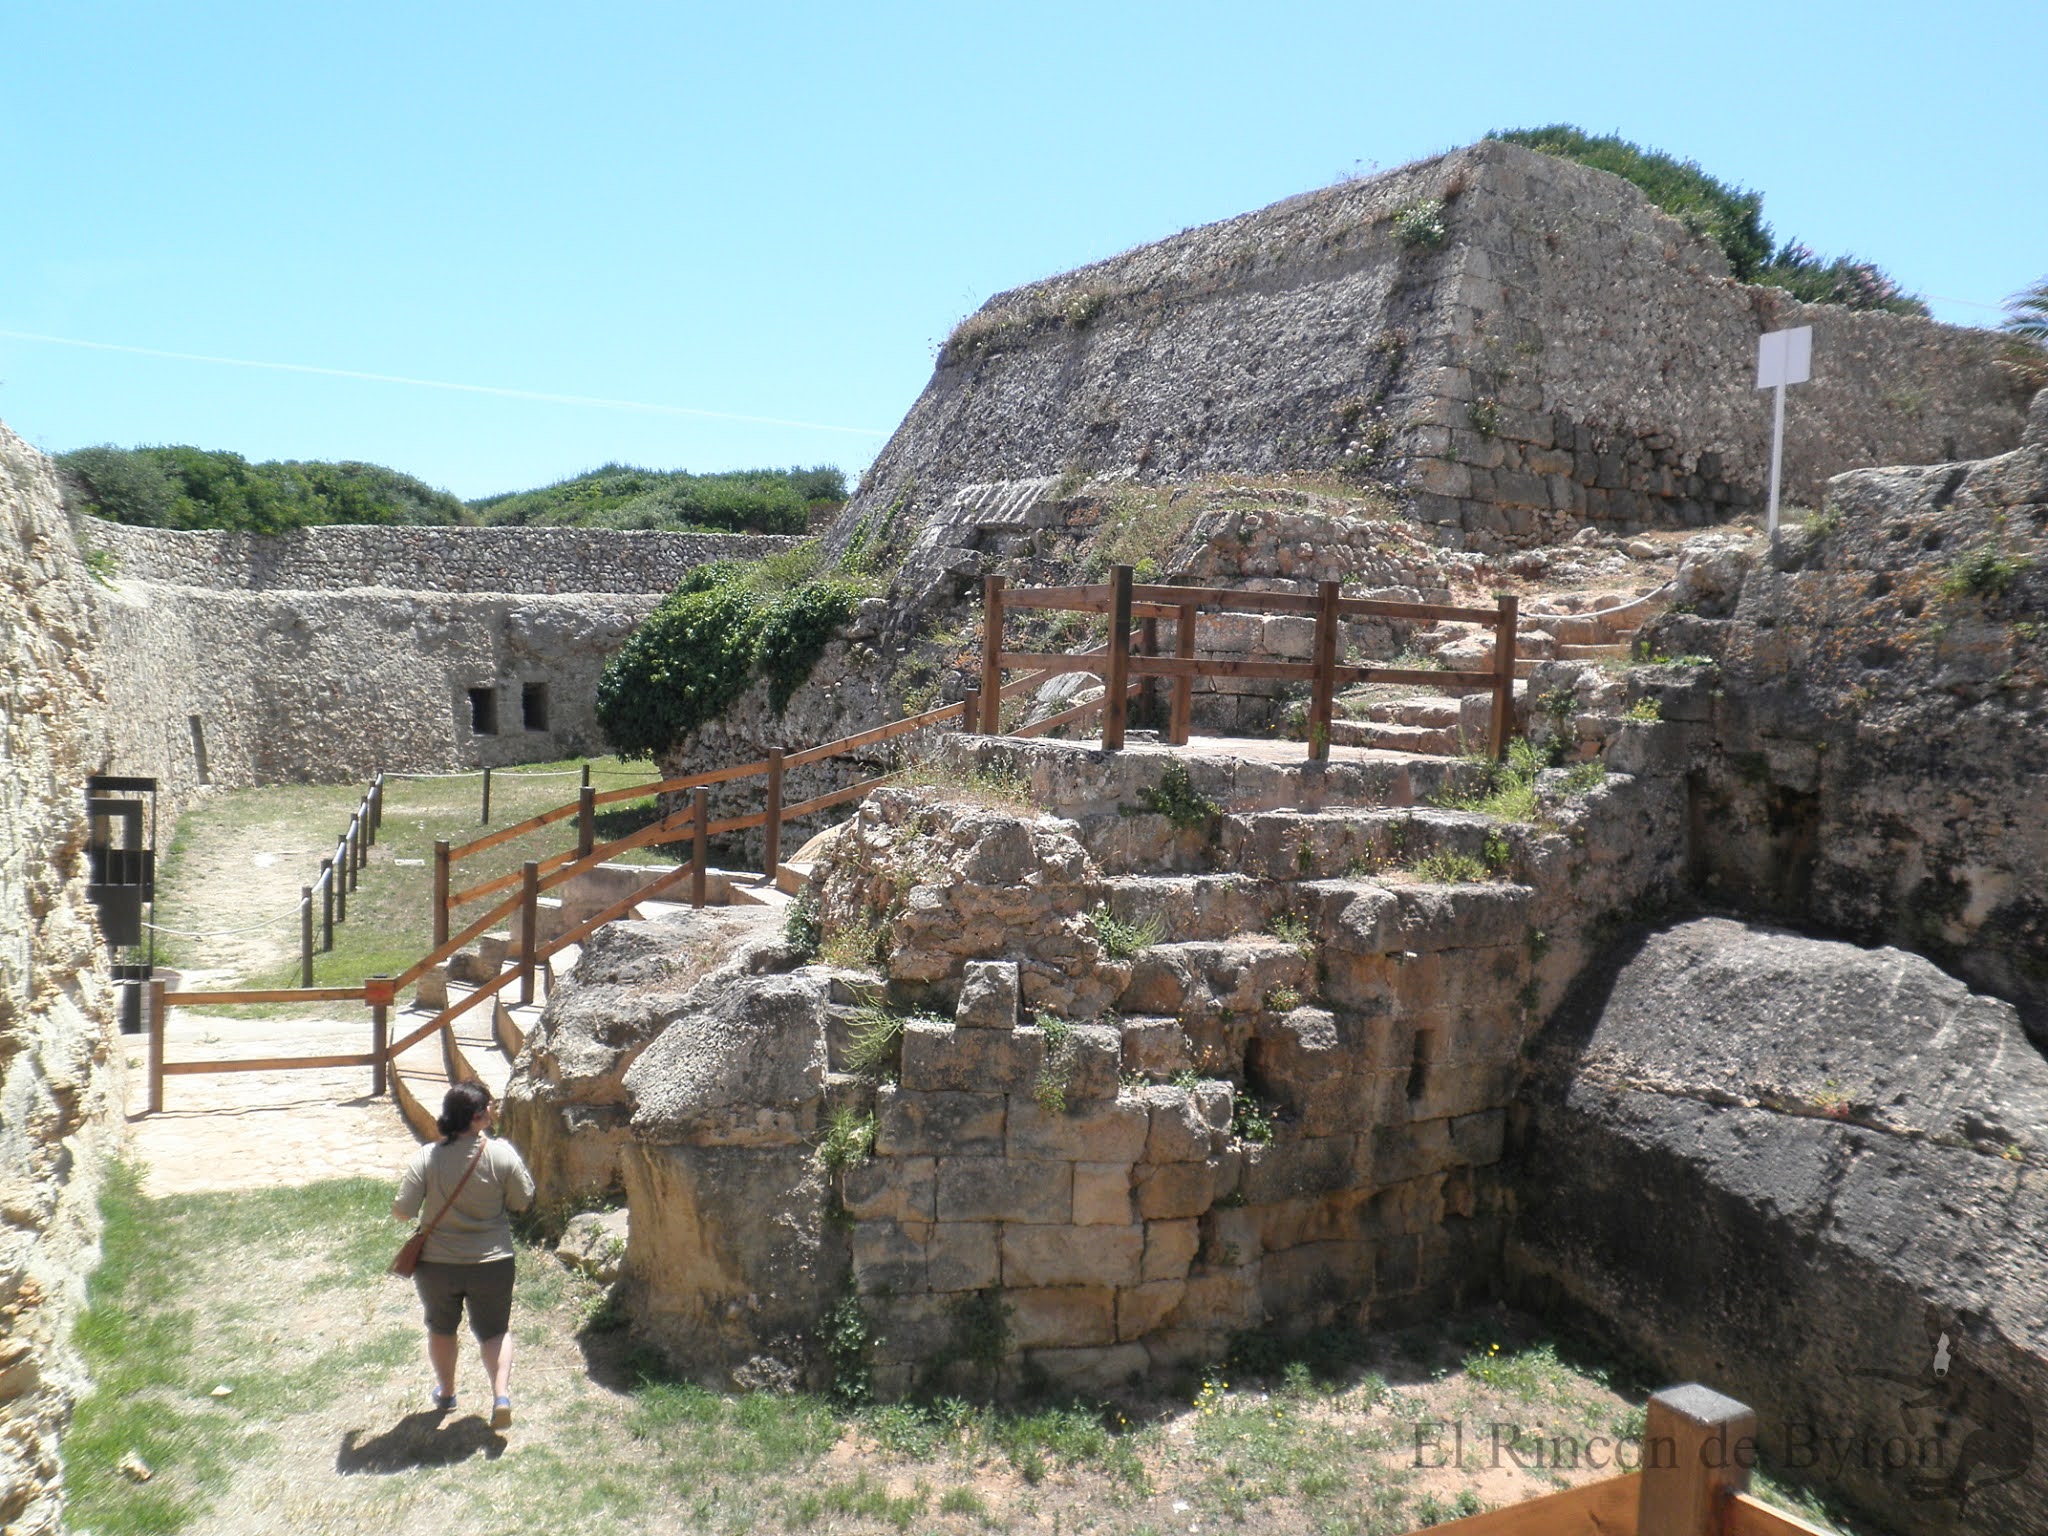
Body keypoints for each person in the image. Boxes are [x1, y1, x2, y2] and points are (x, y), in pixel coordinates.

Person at [393, 1080, 536, 1429]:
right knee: (495, 1331)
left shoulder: (427, 1157)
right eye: (489, 1106)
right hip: (493, 1262)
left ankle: (446, 1392)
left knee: (442, 1328)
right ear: (477, 1117)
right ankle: (501, 1396)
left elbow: (403, 1211)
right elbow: (522, 1200)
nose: (493, 1109)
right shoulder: (501, 1154)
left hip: (437, 1264)